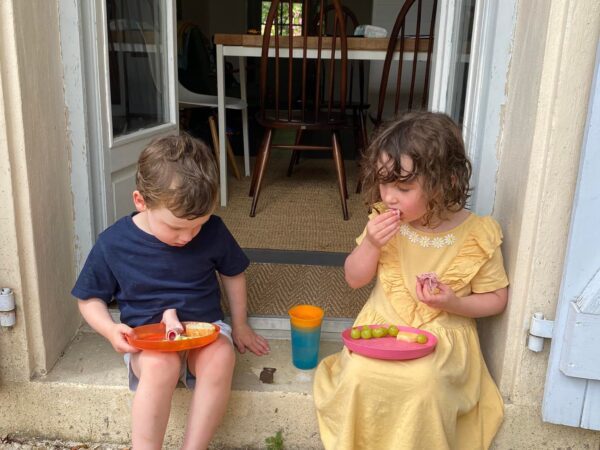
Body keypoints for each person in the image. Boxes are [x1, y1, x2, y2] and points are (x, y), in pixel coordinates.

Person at [313, 111, 509, 450]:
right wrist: (372, 244)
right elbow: (353, 278)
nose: (388, 196)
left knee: (424, 384)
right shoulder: (383, 221)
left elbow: (496, 299)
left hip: (442, 339)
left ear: (445, 182)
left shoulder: (477, 234)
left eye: (403, 187)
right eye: (384, 182)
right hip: (386, 328)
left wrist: (454, 302)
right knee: (360, 375)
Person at [72, 134, 270, 450]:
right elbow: (89, 298)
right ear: (141, 202)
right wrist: (110, 330)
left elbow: (234, 273)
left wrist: (241, 324)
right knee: (159, 366)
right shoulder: (114, 243)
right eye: (176, 228)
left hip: (203, 331)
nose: (189, 236)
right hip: (148, 340)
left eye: (198, 225)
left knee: (221, 356)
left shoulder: (213, 230)